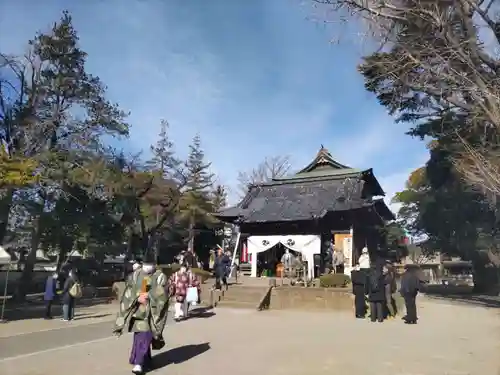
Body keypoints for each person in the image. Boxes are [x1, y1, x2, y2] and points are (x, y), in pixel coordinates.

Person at [114, 260, 169, 375]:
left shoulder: (160, 276)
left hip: (152, 313)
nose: (147, 267)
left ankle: (139, 362)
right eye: (145, 264)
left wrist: (150, 295)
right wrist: (136, 297)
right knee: (140, 336)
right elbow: (128, 291)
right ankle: (141, 361)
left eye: (150, 264)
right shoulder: (135, 275)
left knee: (146, 335)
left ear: (154, 264)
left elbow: (164, 291)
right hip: (138, 311)